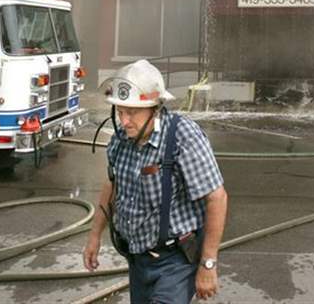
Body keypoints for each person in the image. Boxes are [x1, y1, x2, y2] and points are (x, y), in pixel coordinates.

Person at [83, 60, 228, 303]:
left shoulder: (182, 137)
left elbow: (217, 197)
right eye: (120, 111)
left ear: (156, 108)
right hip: (138, 259)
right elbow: (112, 186)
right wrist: (94, 236)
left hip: (176, 262)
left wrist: (208, 263)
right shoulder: (121, 140)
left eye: (132, 112)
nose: (124, 121)